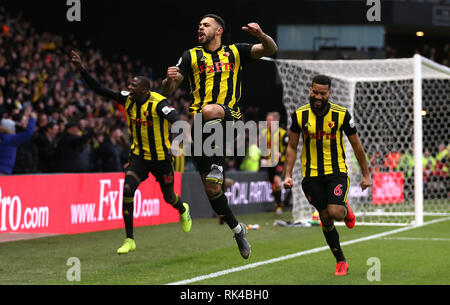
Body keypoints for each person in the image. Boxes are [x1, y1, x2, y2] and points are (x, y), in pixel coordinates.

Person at [161, 14, 277, 259]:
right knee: (212, 190)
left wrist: (261, 36)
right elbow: (169, 88)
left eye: (205, 24)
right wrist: (169, 81)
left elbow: (271, 49)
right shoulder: (190, 55)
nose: (200, 27)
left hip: (229, 116)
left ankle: (217, 164)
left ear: (219, 30)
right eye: (199, 25)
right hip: (201, 129)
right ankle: (238, 230)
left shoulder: (235, 51)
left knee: (209, 109)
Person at [71, 50, 192, 255]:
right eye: (129, 85)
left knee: (169, 196)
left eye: (133, 87)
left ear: (144, 91)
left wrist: (182, 132)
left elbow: (175, 117)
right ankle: (129, 239)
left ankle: (182, 209)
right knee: (127, 190)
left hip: (162, 159)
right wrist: (82, 70)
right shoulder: (127, 99)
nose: (128, 88)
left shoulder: (158, 103)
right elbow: (100, 89)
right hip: (139, 158)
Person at [284, 75, 372, 275]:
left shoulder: (341, 115)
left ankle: (345, 207)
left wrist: (366, 174)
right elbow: (291, 146)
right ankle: (340, 260)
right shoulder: (299, 115)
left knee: (335, 212)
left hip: (336, 172)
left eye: (322, 93)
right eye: (314, 92)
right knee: (325, 218)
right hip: (311, 175)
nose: (317, 96)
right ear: (310, 90)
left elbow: (356, 145)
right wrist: (287, 174)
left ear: (329, 94)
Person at [260, 112, 288, 215]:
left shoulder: (283, 133)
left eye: (270, 120)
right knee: (274, 185)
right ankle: (278, 204)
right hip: (269, 162)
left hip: (281, 162)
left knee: (277, 181)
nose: (267, 122)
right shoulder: (263, 133)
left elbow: (290, 147)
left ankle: (279, 206)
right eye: (267, 120)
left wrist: (282, 153)